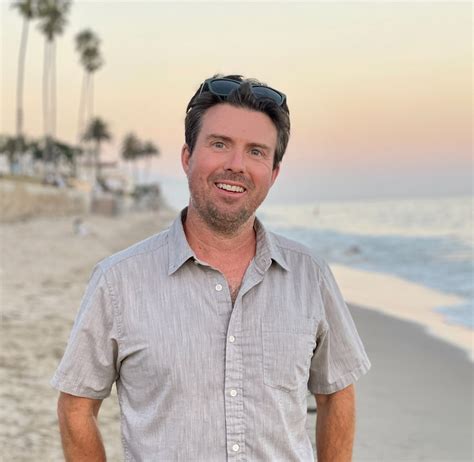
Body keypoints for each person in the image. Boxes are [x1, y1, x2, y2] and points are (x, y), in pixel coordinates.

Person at [52, 75, 371, 461]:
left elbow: (336, 394)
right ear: (187, 157)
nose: (236, 165)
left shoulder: (310, 277)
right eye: (220, 144)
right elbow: (76, 405)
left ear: (273, 173)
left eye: (256, 152)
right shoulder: (118, 281)